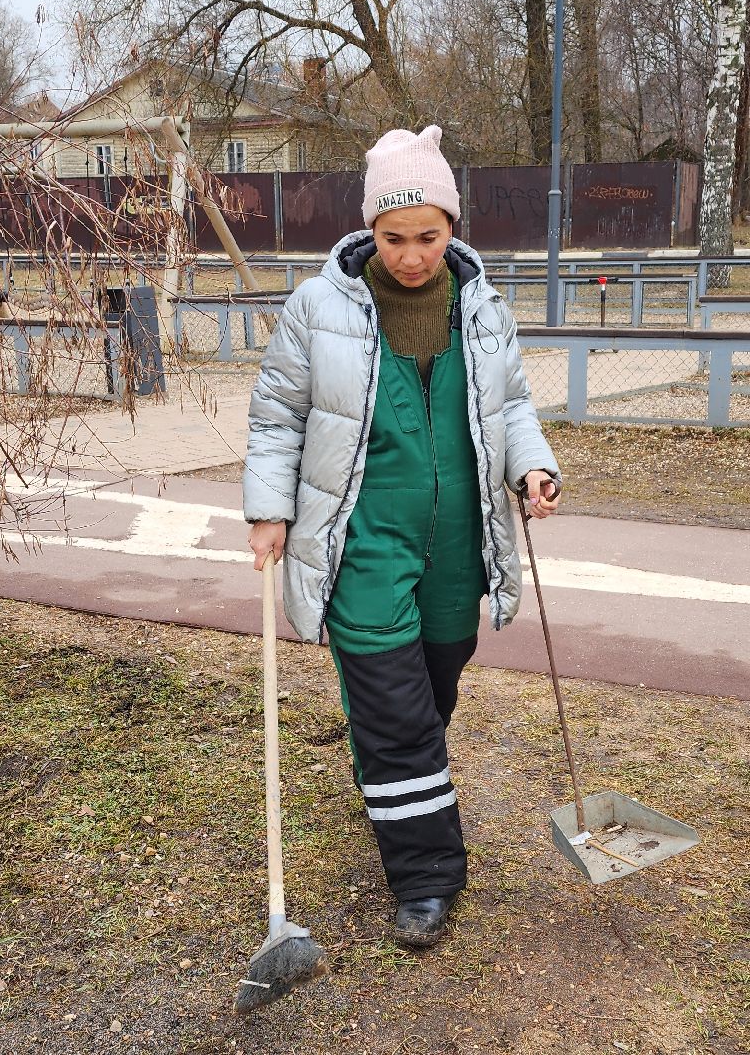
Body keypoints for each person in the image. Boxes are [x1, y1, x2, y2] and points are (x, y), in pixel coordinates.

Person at [243, 125, 560, 949]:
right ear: (368, 233)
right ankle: (425, 880)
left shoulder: (482, 308)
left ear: (452, 227)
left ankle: (391, 772)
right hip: (363, 541)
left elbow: (514, 406)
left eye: (428, 236)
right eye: (394, 238)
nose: (412, 255)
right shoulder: (320, 307)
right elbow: (278, 415)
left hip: (456, 545)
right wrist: (268, 509)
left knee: (431, 689)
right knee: (398, 716)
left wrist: (532, 468)